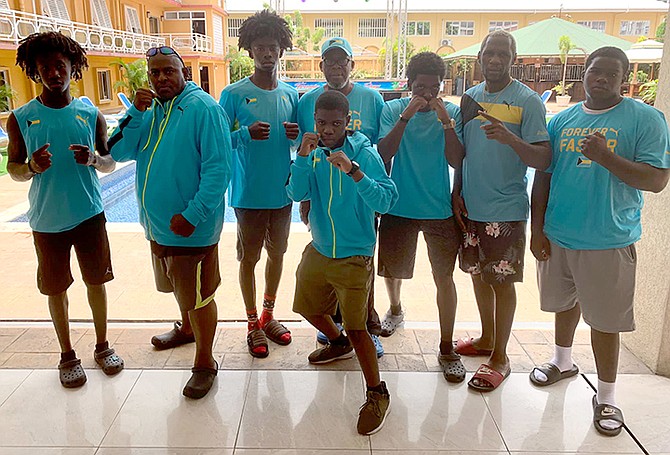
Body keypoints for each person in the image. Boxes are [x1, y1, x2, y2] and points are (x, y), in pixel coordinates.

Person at [529, 46, 670, 436]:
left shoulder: (645, 118)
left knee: (606, 322)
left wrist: (607, 158)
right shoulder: (563, 120)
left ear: (625, 78)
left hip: (608, 239)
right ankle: (562, 361)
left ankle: (606, 397)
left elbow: (657, 180)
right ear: (584, 74)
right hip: (559, 235)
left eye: (612, 73)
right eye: (595, 71)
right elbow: (544, 176)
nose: (602, 78)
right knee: (564, 304)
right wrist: (536, 229)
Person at [109, 45, 232, 399]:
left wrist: (193, 215)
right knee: (182, 291)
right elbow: (117, 151)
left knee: (199, 296)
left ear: (184, 73)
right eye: (155, 72)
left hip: (190, 229)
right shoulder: (150, 111)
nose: (162, 78)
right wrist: (135, 111)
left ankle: (206, 362)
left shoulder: (204, 109)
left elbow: (218, 170)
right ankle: (187, 330)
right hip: (159, 226)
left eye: (169, 71)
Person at [6, 32, 124, 388]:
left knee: (96, 283)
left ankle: (102, 345)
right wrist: (31, 167)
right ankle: (67, 354)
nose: (54, 73)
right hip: (47, 221)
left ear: (73, 69)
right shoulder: (21, 117)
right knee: (56, 289)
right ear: (35, 72)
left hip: (89, 214)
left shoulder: (89, 112)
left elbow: (109, 162)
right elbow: (13, 169)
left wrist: (93, 158)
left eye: (61, 66)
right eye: (46, 68)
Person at [287, 90, 398, 435]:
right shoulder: (313, 153)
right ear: (314, 121)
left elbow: (387, 199)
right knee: (306, 306)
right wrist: (303, 157)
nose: (328, 129)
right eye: (322, 123)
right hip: (320, 248)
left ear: (348, 123)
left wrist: (355, 172)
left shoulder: (364, 152)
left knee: (357, 326)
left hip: (354, 254)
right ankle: (337, 343)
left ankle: (377, 393)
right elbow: (295, 194)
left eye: (336, 123)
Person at [452, 30, 551, 391]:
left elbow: (543, 157)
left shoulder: (528, 101)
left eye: (502, 54)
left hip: (506, 210)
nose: (494, 60)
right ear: (479, 58)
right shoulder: (469, 98)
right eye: (488, 54)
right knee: (478, 275)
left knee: (502, 282)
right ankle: (487, 338)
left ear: (513, 59)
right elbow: (463, 154)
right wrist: (456, 192)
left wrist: (510, 137)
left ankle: (501, 357)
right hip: (472, 207)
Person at [376, 52, 466, 383]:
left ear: (441, 87)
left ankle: (446, 346)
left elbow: (457, 160)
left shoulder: (451, 112)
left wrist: (446, 123)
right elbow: (384, 153)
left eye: (433, 87)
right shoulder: (392, 109)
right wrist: (405, 117)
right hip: (399, 205)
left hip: (439, 209)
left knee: (444, 277)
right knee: (391, 269)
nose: (426, 94)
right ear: (409, 86)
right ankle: (396, 309)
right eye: (419, 87)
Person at [296, 36, 386, 357]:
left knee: (360, 262)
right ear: (321, 66)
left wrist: (367, 182)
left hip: (360, 190)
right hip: (323, 194)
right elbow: (305, 149)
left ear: (352, 65)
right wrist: (306, 197)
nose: (336, 67)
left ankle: (366, 327)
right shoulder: (306, 101)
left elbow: (379, 145)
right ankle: (337, 329)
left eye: (342, 61)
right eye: (329, 61)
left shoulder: (372, 99)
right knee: (329, 258)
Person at [219, 9, 299, 359]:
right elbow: (218, 141)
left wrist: (297, 139)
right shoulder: (234, 94)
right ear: (249, 51)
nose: (267, 53)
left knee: (278, 254)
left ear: (282, 50)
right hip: (249, 193)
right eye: (260, 47)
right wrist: (244, 134)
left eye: (273, 47)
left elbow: (297, 145)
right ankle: (251, 322)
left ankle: (269, 314)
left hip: (282, 192)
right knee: (249, 258)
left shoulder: (292, 94)